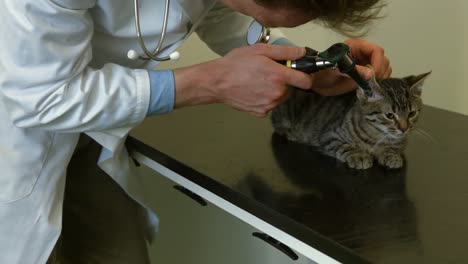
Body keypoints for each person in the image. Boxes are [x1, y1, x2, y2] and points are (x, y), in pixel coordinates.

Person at [0, 0, 391, 263]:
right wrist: (207, 84)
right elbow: (40, 96)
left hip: (92, 133)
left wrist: (303, 65)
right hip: (16, 139)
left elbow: (219, 13)